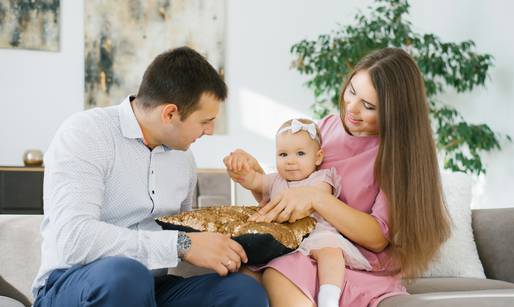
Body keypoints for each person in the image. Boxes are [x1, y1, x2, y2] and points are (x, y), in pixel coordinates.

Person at [32, 47, 268, 307]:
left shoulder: (184, 159)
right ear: (169, 113)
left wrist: (259, 191)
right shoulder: (86, 134)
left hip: (152, 288)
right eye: (205, 121)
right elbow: (75, 240)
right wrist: (181, 244)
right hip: (74, 285)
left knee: (242, 290)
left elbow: (191, 236)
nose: (210, 131)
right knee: (126, 277)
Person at [224, 48, 451, 307]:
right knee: (239, 276)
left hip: (350, 261)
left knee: (279, 274)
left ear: (394, 114)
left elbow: (377, 238)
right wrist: (256, 178)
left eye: (368, 106)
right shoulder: (326, 127)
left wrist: (316, 199)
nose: (351, 110)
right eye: (352, 91)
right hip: (300, 245)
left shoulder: (397, 156)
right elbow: (292, 190)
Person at [225, 118, 373, 307]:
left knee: (331, 252)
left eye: (300, 153)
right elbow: (256, 181)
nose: (291, 161)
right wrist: (242, 173)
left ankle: (329, 297)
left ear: (318, 157)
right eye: (283, 154)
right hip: (286, 238)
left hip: (317, 232)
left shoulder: (321, 178)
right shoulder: (275, 180)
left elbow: (318, 196)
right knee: (255, 263)